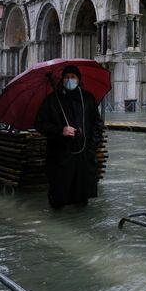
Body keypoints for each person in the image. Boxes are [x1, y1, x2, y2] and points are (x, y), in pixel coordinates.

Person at [34, 65, 103, 208]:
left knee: (81, 197)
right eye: (66, 77)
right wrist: (60, 130)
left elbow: (97, 124)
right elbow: (40, 124)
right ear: (62, 79)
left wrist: (91, 146)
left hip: (83, 155)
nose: (69, 80)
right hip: (60, 155)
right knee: (59, 197)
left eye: (73, 77)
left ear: (79, 79)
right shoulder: (52, 100)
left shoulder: (88, 99)